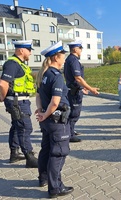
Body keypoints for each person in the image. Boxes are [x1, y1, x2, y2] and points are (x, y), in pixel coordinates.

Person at [35, 41, 73, 198]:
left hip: (47, 121)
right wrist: (45, 113)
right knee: (58, 154)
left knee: (46, 149)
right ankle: (55, 188)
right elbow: (56, 102)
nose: (64, 59)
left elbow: (38, 95)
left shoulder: (44, 74)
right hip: (57, 122)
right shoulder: (56, 76)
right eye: (63, 56)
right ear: (56, 57)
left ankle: (43, 178)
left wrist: (40, 111)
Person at [0, 40, 38, 168]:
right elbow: (2, 84)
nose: (30, 53)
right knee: (25, 128)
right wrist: (3, 97)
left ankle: (14, 154)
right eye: (29, 50)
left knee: (16, 126)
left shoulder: (19, 64)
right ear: (21, 50)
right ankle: (30, 157)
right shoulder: (12, 64)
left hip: (19, 100)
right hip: (17, 102)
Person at [64, 40, 99, 142]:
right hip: (74, 92)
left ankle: (71, 131)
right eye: (80, 48)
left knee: (73, 113)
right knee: (74, 114)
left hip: (74, 89)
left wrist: (82, 88)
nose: (81, 50)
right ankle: (69, 134)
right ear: (75, 49)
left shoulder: (70, 59)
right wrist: (90, 88)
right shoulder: (73, 60)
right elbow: (78, 78)